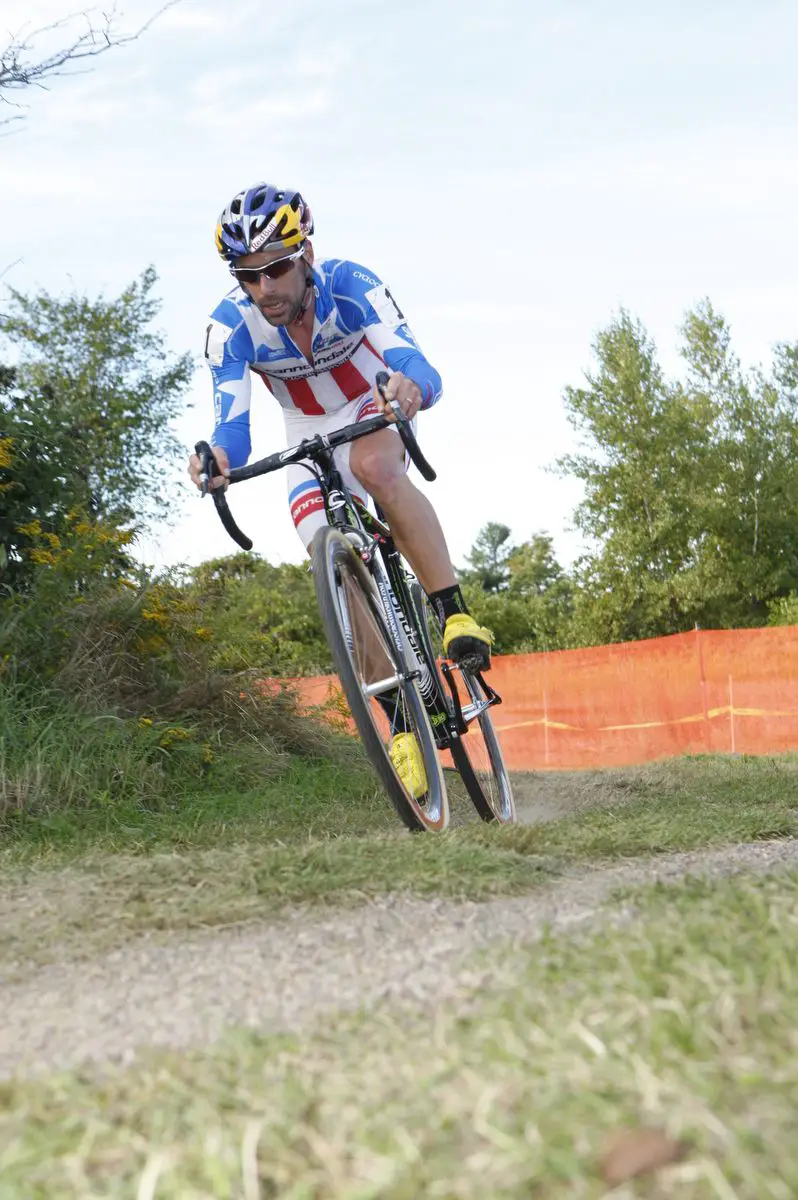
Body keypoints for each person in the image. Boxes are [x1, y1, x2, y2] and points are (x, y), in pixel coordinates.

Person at [188, 183, 491, 797]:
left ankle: (453, 613)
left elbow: (420, 366)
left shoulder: (351, 284)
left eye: (275, 268)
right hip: (304, 430)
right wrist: (216, 458)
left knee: (379, 471)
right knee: (329, 553)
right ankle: (401, 725)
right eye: (248, 275)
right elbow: (234, 429)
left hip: (367, 401)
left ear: (305, 255)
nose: (264, 288)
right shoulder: (230, 327)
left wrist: (409, 391)